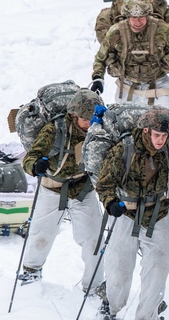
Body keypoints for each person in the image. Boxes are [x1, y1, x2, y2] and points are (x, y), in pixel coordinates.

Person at [95, 106, 169, 320]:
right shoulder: (124, 149)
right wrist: (110, 202)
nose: (161, 140)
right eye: (157, 135)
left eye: (165, 135)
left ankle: (149, 315)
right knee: (120, 263)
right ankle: (111, 304)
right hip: (126, 211)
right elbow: (105, 182)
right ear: (146, 131)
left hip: (157, 211)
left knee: (161, 260)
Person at [18, 88, 106, 293]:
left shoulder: (99, 129)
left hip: (83, 187)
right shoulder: (55, 129)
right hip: (53, 187)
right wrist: (35, 165)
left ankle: (93, 284)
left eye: (93, 117)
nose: (90, 122)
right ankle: (31, 271)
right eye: (86, 119)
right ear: (74, 115)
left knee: (94, 238)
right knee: (42, 233)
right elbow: (30, 157)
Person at [91, 0, 169, 110]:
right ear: (127, 16)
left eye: (142, 17)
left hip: (158, 84)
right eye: (133, 18)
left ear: (148, 14)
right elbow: (100, 58)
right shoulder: (115, 32)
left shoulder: (164, 30)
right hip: (127, 86)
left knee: (161, 123)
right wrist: (98, 79)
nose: (138, 22)